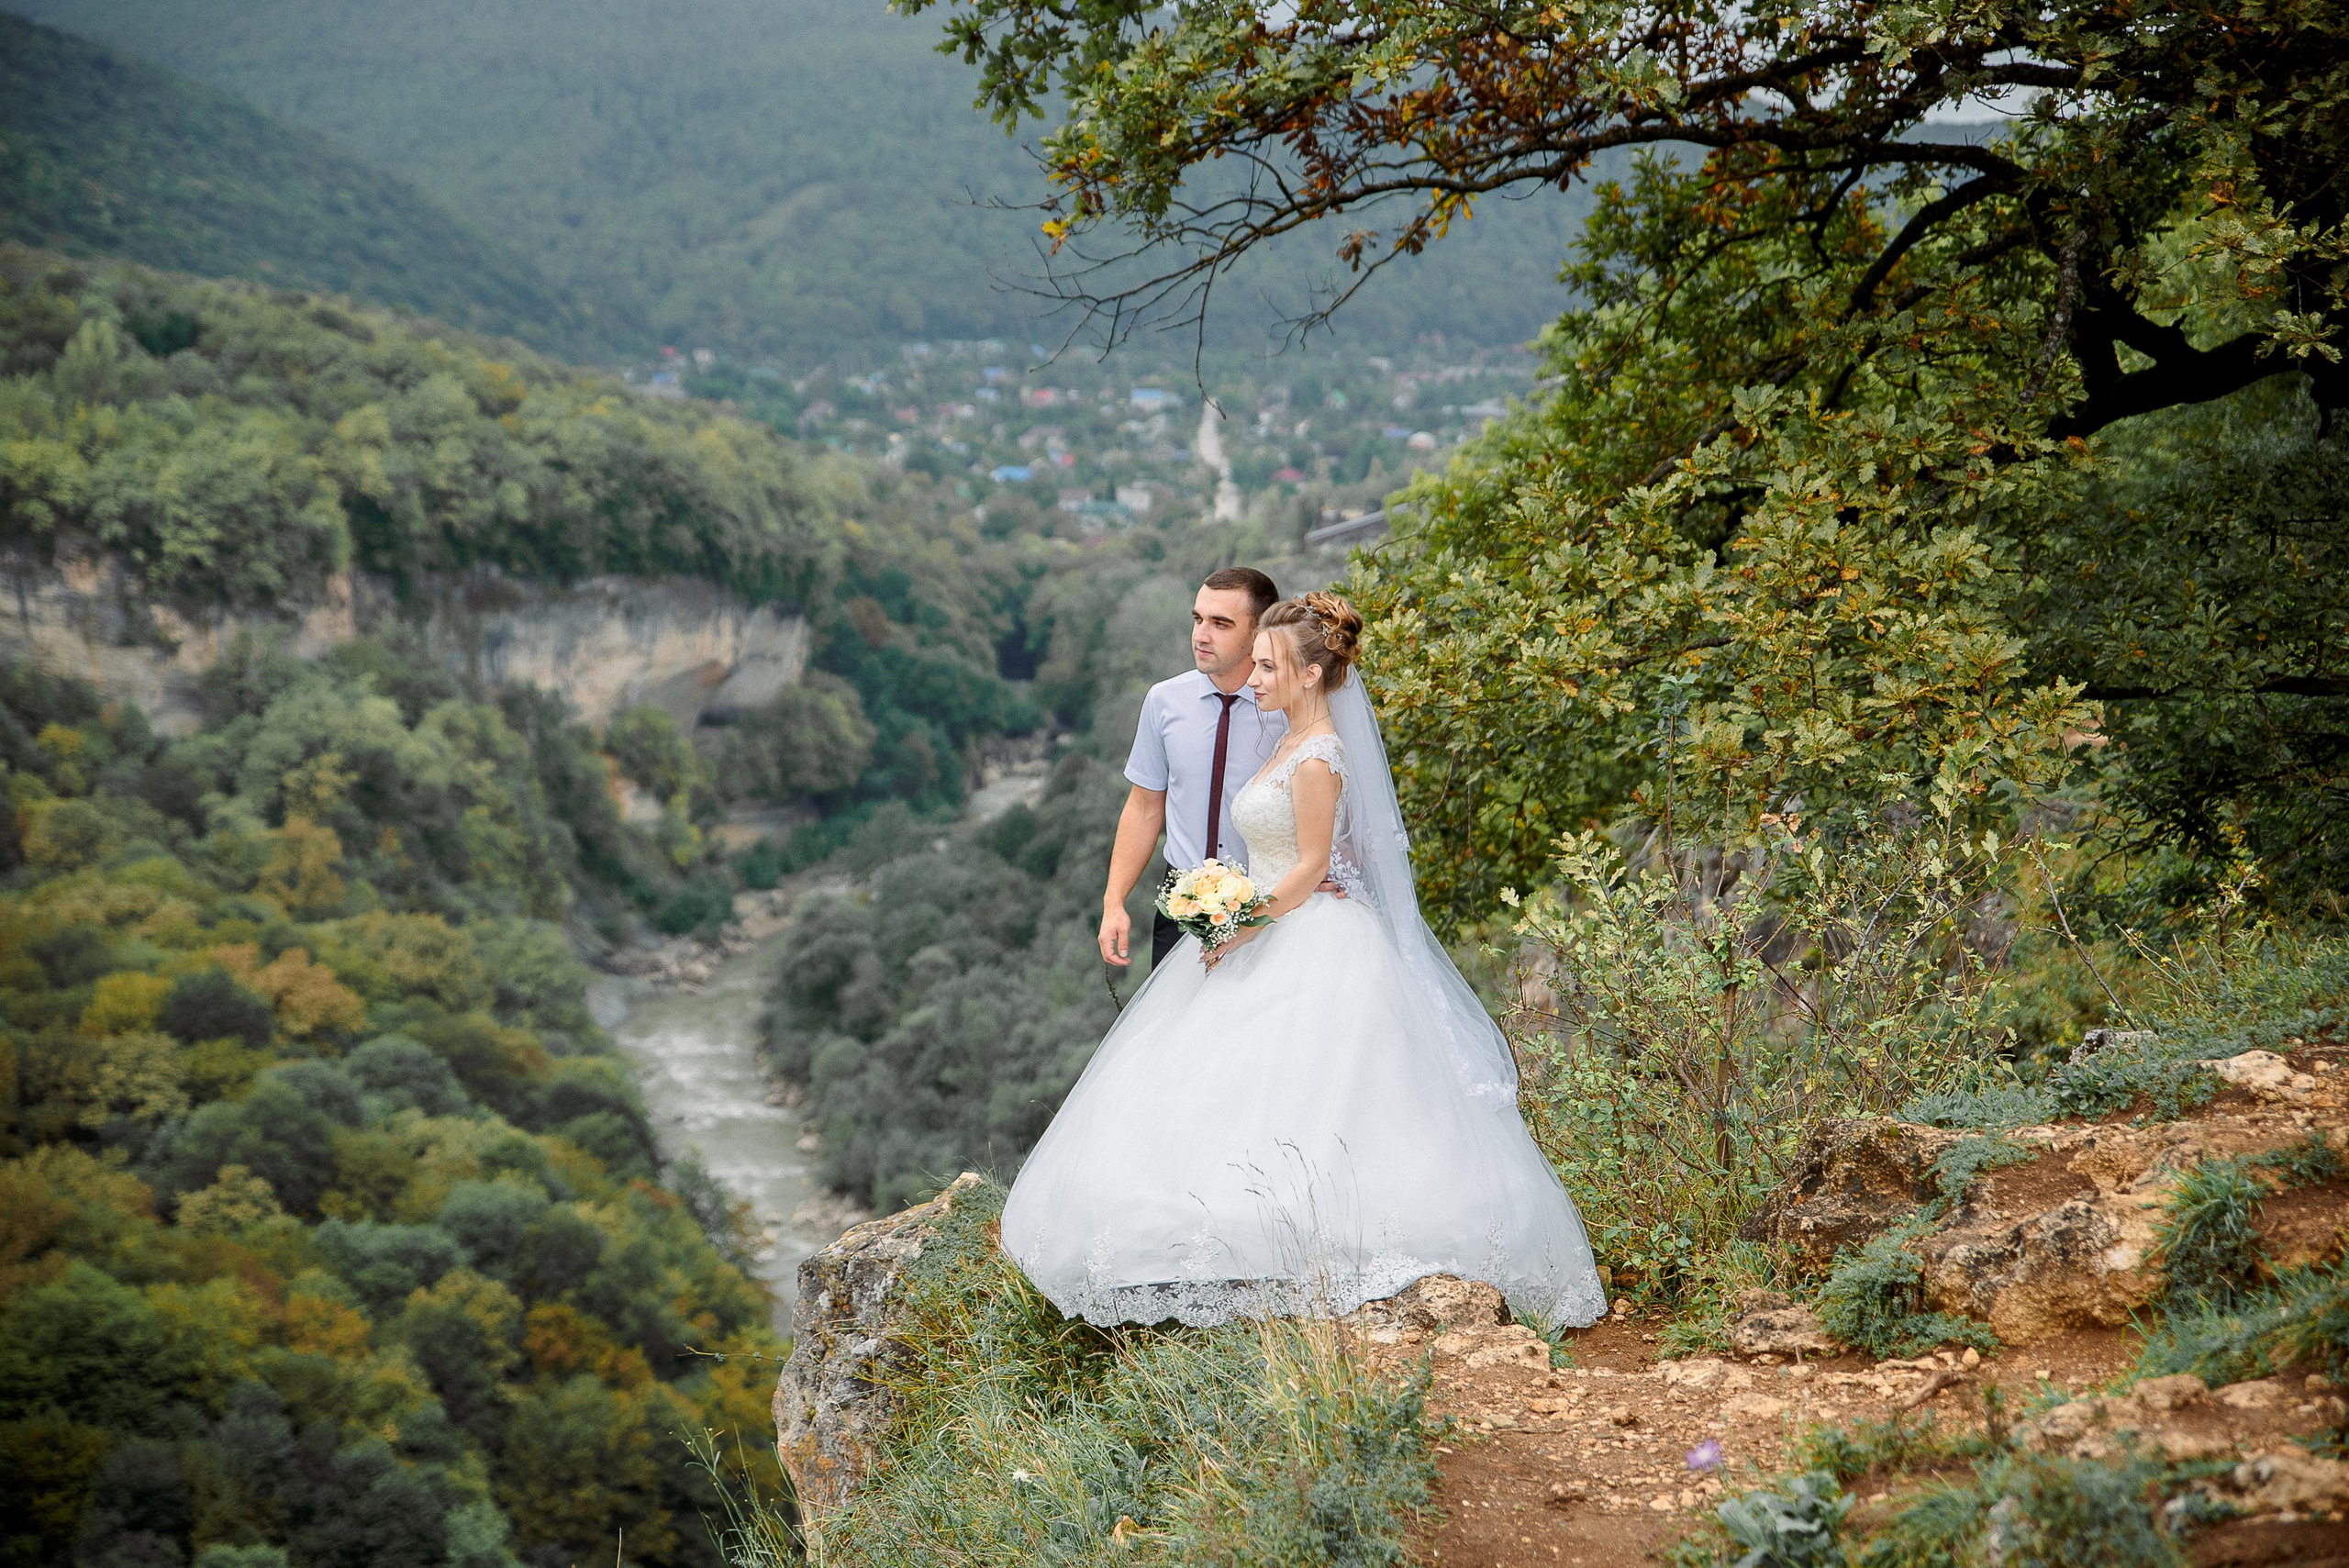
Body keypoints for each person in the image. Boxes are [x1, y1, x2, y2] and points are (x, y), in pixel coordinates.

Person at [1004, 592, 1608, 1330]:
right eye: (1255, 663)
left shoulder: (1319, 753)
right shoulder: (1288, 739)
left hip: (1305, 933)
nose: (1254, 678)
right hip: (1269, 920)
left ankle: (1293, 1242)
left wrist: (1241, 920)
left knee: (1315, 1093)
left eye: (1267, 666)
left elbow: (1314, 862)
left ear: (1311, 673)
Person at [1099, 567, 1289, 972]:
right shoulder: (1163, 701)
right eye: (1198, 619)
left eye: (1220, 624)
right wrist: (1114, 902)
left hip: (1270, 910)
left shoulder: (1290, 711)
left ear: (1259, 632)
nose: (1201, 635)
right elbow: (1144, 807)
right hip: (1179, 907)